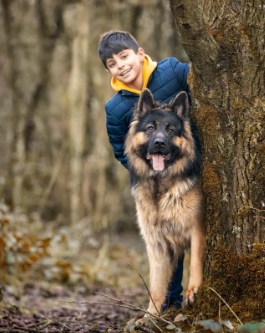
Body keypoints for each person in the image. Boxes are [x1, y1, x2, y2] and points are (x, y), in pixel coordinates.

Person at [97, 30, 190, 311]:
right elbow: (120, 149)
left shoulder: (172, 71)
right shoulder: (116, 107)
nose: (120, 65)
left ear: (140, 54)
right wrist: (151, 170)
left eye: (124, 56)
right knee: (164, 240)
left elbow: (204, 79)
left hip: (191, 172)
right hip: (154, 184)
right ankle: (169, 303)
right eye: (112, 63)